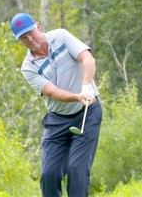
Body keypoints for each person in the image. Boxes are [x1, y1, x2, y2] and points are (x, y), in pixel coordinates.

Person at [10, 13, 102, 197]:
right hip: (57, 120)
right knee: (48, 175)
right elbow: (51, 91)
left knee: (76, 169)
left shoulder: (60, 36)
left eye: (30, 33)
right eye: (23, 38)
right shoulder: (28, 67)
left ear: (38, 26)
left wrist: (86, 86)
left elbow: (87, 58)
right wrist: (77, 96)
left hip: (86, 113)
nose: (29, 39)